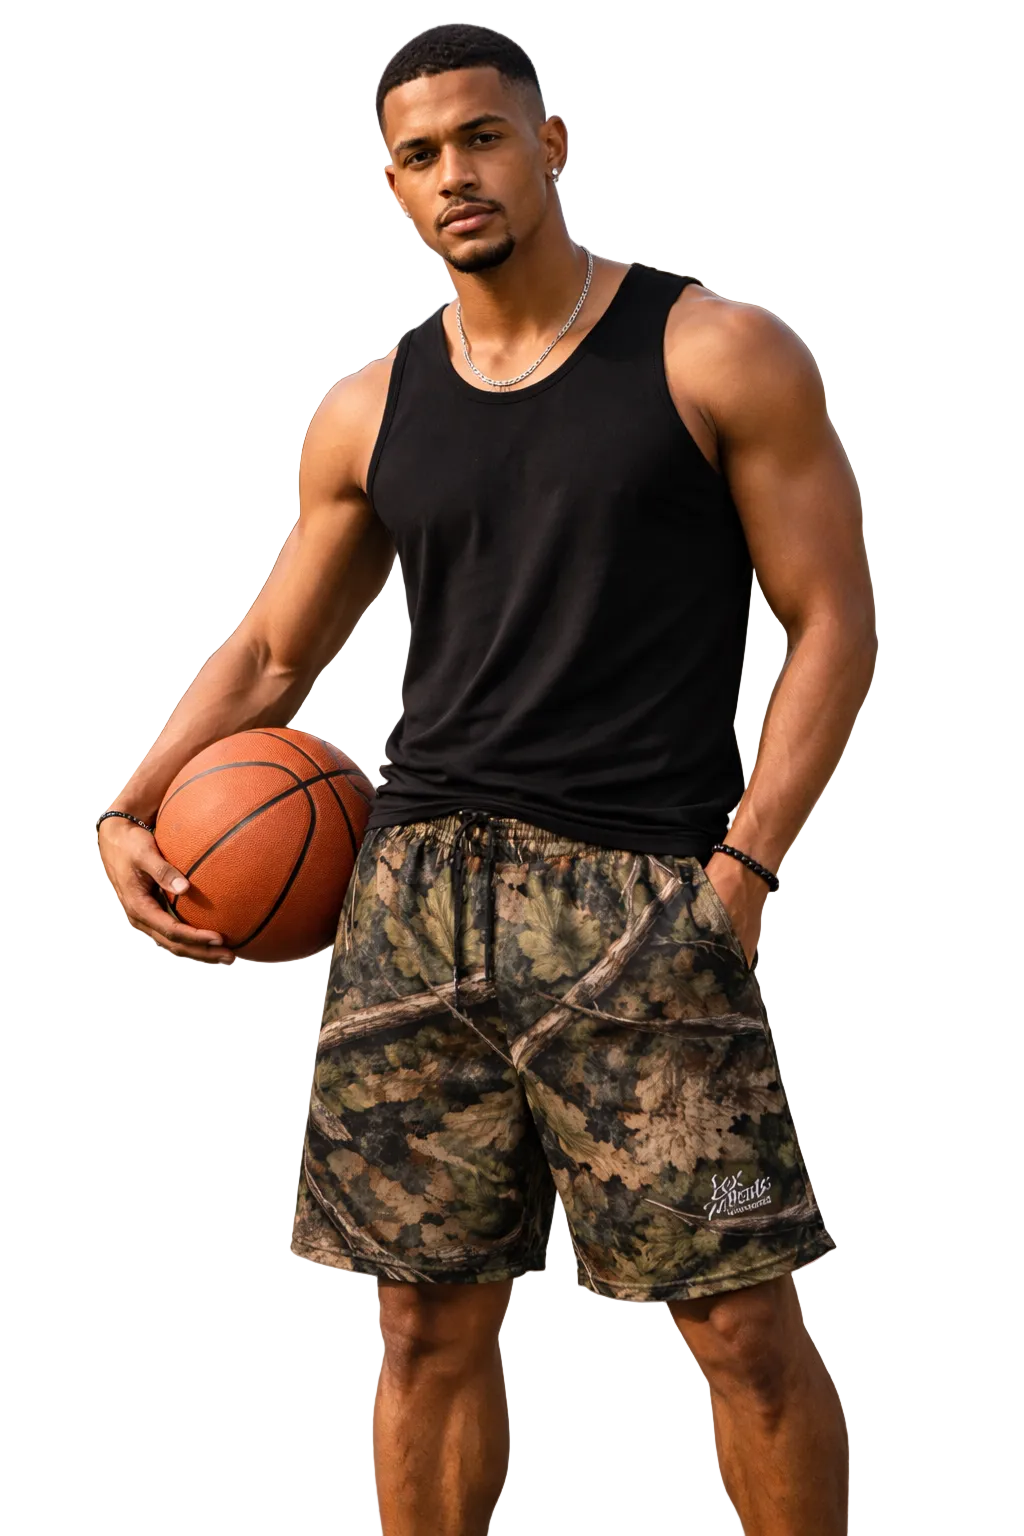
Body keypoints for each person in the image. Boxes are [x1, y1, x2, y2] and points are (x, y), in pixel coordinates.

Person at [98, 23, 876, 1535]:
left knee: (740, 1326)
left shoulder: (714, 349)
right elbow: (273, 651)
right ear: (389, 183)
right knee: (424, 1328)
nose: (454, 173)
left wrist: (746, 866)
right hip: (414, 905)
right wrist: (131, 804)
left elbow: (833, 619)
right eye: (419, 153)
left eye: (481, 137)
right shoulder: (368, 407)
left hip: (643, 907)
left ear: (550, 143)